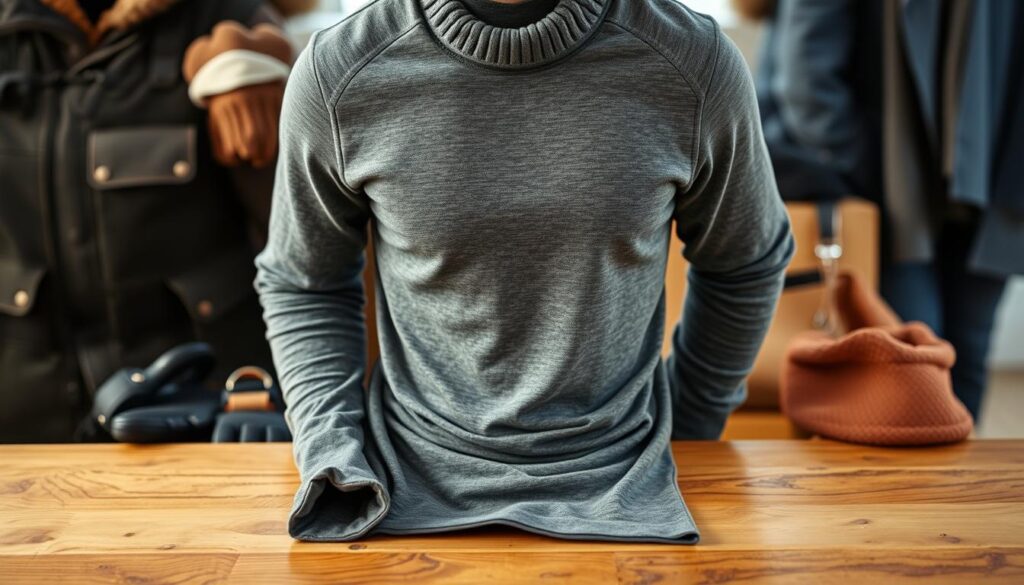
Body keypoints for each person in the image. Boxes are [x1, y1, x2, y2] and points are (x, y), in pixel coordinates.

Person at [256, 0, 793, 543]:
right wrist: (331, 447)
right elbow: (304, 284)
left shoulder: (692, 62)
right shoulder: (341, 70)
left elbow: (744, 262)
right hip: (393, 496)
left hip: (629, 491)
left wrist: (691, 430)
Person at [0, 0, 305, 442]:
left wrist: (266, 83)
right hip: (25, 420)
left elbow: (305, 246)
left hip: (197, 406)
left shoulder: (224, 19)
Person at [753, 0, 1024, 421]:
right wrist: (874, 173)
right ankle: (913, 487)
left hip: (990, 189)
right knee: (909, 364)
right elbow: (809, 84)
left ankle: (951, 486)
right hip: (877, 191)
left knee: (965, 355)